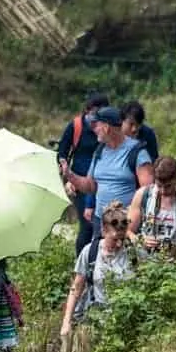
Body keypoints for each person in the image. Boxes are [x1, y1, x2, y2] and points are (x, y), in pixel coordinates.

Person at [65, 105, 154, 240]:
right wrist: (69, 175)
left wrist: (131, 223)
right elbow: (90, 186)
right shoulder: (99, 151)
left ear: (106, 127)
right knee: (98, 259)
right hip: (100, 222)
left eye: (96, 125)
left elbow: (149, 192)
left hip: (125, 224)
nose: (94, 130)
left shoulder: (137, 152)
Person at [61, 201, 137, 335]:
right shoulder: (90, 251)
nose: (119, 243)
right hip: (96, 320)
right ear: (103, 231)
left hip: (127, 322)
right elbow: (76, 289)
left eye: (122, 238)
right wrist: (66, 322)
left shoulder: (133, 252)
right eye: (114, 239)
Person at [57, 91, 108, 256]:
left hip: (102, 182)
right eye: (94, 111)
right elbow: (62, 151)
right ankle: (82, 266)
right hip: (80, 183)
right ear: (87, 110)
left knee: (103, 226)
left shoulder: (107, 127)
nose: (97, 116)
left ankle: (100, 263)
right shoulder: (77, 126)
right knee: (87, 226)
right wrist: (67, 174)